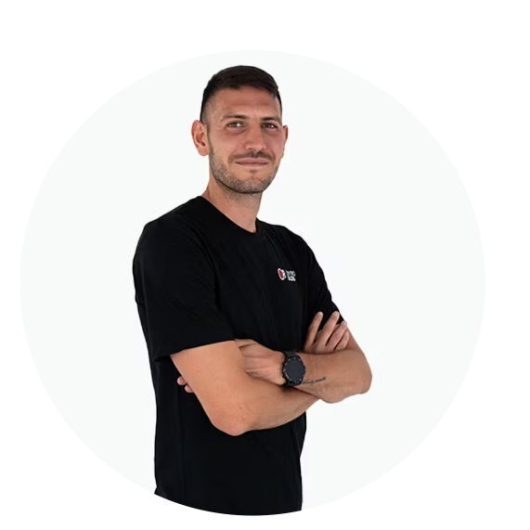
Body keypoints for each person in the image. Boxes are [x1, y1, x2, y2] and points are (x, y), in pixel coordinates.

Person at [132, 65, 372, 516]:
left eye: (269, 126)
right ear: (201, 138)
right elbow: (235, 413)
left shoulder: (292, 250)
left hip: (285, 506)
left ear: (285, 139)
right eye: (235, 124)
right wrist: (319, 383)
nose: (255, 142)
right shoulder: (173, 241)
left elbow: (359, 374)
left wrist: (285, 367)